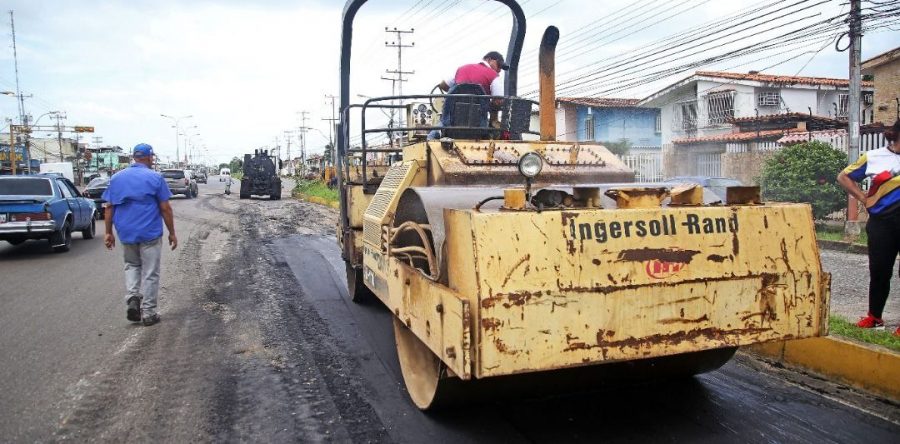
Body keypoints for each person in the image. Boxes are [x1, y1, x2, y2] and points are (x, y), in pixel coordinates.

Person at [102, 143, 177, 326]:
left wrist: (108, 233)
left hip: (126, 233)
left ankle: (133, 297)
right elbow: (165, 208)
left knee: (132, 265)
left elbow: (109, 207)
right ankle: (149, 313)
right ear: (149, 157)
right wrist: (172, 233)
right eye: (152, 157)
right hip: (149, 233)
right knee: (151, 272)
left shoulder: (117, 178)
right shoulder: (155, 177)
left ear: (134, 157)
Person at [837, 119, 900, 336]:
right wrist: (863, 198)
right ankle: (875, 317)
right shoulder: (873, 156)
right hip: (882, 223)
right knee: (880, 270)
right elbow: (844, 177)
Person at [428, 51, 509, 140]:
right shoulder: (494, 76)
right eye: (499, 65)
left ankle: (431, 140)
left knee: (435, 132)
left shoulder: (461, 69)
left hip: (452, 120)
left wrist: (457, 93)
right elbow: (498, 101)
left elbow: (443, 85)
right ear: (489, 60)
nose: (499, 70)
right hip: (478, 123)